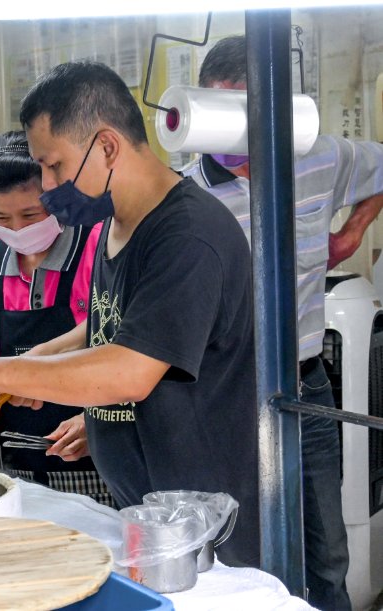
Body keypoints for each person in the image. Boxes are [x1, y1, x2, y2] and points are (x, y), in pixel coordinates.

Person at [0, 61, 261, 568]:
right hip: (147, 508)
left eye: (54, 165)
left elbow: (132, 371)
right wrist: (44, 365)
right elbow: (115, 324)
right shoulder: (119, 222)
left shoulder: (187, 237)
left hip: (203, 519)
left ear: (107, 147)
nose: (47, 186)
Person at [184, 35, 383, 611]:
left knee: (326, 548)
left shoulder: (318, 157)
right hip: (222, 394)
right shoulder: (184, 197)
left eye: (245, 113)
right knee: (240, 553)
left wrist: (351, 234)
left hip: (305, 383)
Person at [0, 130, 111, 504]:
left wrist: (99, 420)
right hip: (18, 459)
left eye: (31, 214)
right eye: (2, 217)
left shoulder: (97, 243)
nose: (18, 229)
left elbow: (116, 338)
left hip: (92, 460)